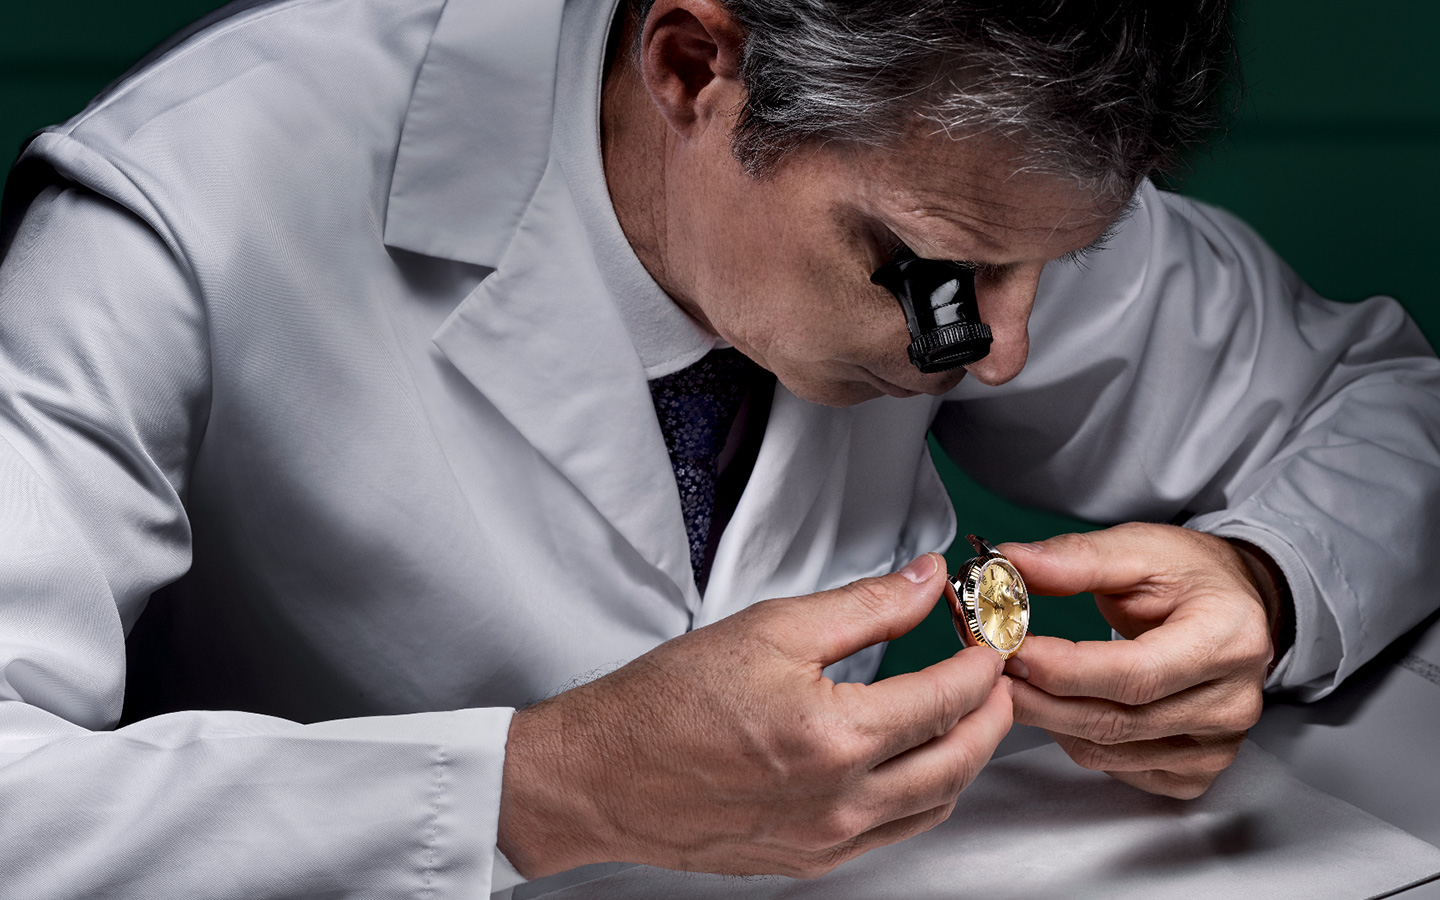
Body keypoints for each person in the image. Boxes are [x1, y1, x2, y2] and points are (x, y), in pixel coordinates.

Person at [1, 0, 1436, 895]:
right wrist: (543, 784)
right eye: (932, 273)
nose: (1002, 350)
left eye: (1049, 270)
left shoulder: (972, 155)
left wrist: (1267, 580)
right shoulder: (180, 213)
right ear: (695, 65)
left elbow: (1387, 407)